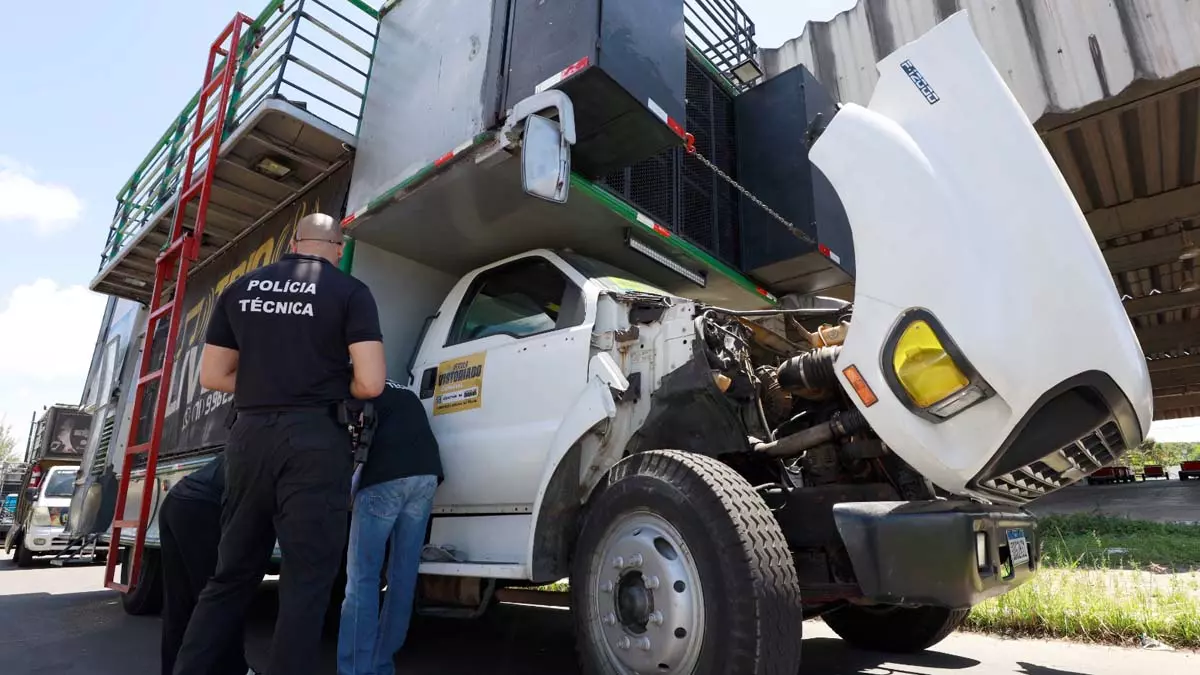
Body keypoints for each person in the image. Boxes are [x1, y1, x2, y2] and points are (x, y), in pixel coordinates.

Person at [173, 213, 387, 675]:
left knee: (230, 575)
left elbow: (213, 376)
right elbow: (371, 383)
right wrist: (318, 384)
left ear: (294, 242)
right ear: (337, 246)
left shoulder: (241, 289)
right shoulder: (350, 292)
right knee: (306, 581)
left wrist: (267, 384)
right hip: (313, 442)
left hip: (249, 438)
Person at [337, 380, 443, 675]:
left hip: (385, 478)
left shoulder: (351, 387)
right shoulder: (398, 390)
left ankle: (355, 670)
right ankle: (382, 666)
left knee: (362, 581)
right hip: (426, 476)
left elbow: (343, 440)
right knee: (402, 578)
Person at [159, 453, 251, 675]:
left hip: (176, 501)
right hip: (201, 508)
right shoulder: (291, 444)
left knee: (179, 605)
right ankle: (236, 670)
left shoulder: (252, 435)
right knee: (220, 599)